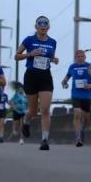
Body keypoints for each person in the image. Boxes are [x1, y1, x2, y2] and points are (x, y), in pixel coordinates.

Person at [15, 16, 59, 150]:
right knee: (33, 111)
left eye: (45, 24)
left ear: (48, 27)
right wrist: (30, 54)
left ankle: (45, 140)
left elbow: (49, 57)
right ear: (36, 27)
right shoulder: (29, 40)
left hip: (45, 76)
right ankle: (27, 120)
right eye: (40, 24)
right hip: (31, 76)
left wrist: (54, 59)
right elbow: (16, 56)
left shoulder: (52, 42)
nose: (43, 26)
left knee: (45, 109)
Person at [61, 49, 91, 147]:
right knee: (77, 115)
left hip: (87, 95)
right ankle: (78, 138)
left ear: (85, 57)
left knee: (87, 119)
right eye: (78, 56)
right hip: (76, 95)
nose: (80, 58)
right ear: (75, 58)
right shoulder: (72, 67)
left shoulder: (90, 66)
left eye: (82, 56)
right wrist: (64, 83)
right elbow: (66, 79)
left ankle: (82, 129)